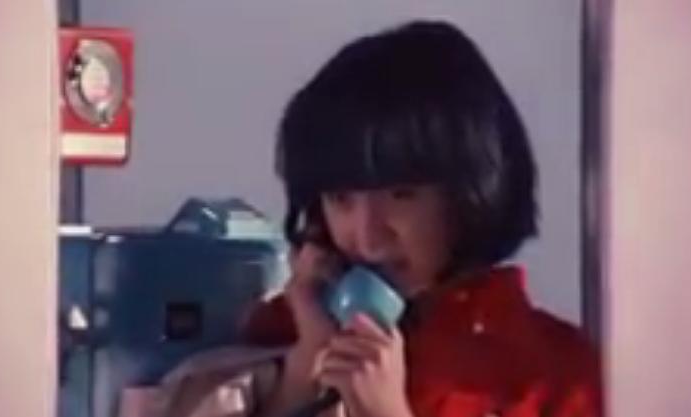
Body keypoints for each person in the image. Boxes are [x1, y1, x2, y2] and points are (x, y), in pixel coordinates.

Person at [243, 20, 601, 417]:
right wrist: (301, 373)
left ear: (466, 191)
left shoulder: (551, 372)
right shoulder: (278, 331)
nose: (368, 238)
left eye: (401, 195)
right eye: (340, 199)